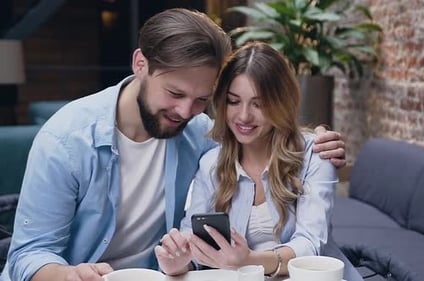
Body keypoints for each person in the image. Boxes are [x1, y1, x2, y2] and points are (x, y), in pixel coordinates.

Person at [1, 8, 345, 281]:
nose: (185, 111)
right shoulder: (65, 142)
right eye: (175, 93)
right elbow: (28, 255)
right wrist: (68, 275)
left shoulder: (198, 132)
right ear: (141, 65)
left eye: (201, 99)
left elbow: (255, 134)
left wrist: (314, 140)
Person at [155, 42, 338, 277]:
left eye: (258, 104)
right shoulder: (211, 164)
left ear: (280, 103)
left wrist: (249, 260)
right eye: (234, 101)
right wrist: (178, 263)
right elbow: (194, 243)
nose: (243, 116)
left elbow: (312, 245)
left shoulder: (315, 155)